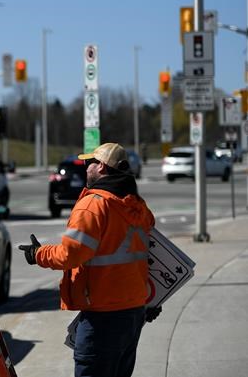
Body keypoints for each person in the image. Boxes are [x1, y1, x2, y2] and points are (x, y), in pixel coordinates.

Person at [19, 142, 161, 377]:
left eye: (90, 163)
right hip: (134, 311)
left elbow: (71, 254)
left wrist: (38, 254)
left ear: (102, 167)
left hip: (102, 316)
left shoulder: (93, 206)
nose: (86, 168)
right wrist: (153, 301)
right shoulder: (139, 208)